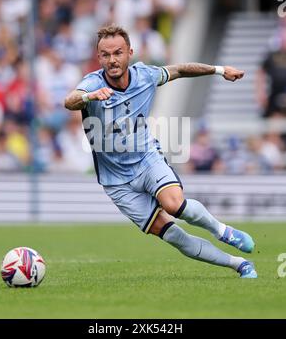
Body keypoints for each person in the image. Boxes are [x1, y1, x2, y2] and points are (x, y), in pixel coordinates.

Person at [64, 25, 257, 279]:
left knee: (175, 205)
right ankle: (238, 264)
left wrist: (219, 70)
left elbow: (179, 70)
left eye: (118, 53)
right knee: (174, 236)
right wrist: (90, 97)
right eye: (106, 55)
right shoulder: (92, 83)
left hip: (146, 159)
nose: (112, 60)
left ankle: (222, 231)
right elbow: (70, 101)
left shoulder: (145, 75)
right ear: (99, 57)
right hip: (116, 182)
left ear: (129, 52)